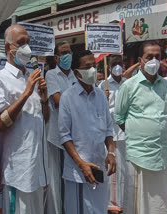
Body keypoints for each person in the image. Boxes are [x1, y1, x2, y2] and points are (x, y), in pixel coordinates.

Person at [0, 24, 49, 214]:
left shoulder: (30, 78)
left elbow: (44, 119)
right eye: (20, 43)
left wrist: (44, 100)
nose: (27, 48)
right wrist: (25, 94)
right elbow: (0, 124)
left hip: (38, 170)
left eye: (28, 43)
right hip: (18, 174)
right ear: (8, 48)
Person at [114, 41, 167, 214]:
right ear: (140, 60)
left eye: (158, 57)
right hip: (137, 157)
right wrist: (139, 134)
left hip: (162, 155)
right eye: (149, 57)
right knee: (137, 205)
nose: (154, 61)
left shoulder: (165, 86)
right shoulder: (128, 86)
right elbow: (119, 116)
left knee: (160, 205)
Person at [59, 50, 116, 213]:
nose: (93, 70)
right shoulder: (68, 98)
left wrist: (111, 152)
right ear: (77, 73)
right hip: (78, 173)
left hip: (99, 168)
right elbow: (64, 136)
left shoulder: (100, 95)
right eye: (87, 66)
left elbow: (108, 128)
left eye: (94, 65)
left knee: (98, 209)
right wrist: (81, 164)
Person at [45, 41, 77, 214]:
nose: (68, 56)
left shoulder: (76, 75)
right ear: (57, 58)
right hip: (56, 136)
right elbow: (58, 102)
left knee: (70, 178)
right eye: (64, 53)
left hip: (74, 136)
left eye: (69, 52)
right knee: (55, 180)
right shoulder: (51, 75)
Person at [98, 55, 126, 213]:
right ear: (109, 67)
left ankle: (122, 202)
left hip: (125, 133)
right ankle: (109, 203)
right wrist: (104, 98)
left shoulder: (127, 84)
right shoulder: (103, 85)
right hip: (109, 135)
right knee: (111, 172)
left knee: (124, 173)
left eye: (120, 64)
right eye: (114, 64)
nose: (117, 67)